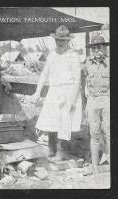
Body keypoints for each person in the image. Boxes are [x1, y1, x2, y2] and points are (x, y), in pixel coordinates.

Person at [31, 25, 82, 161]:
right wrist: (37, 92)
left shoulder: (74, 55)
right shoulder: (52, 54)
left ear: (68, 41)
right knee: (50, 121)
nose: (60, 43)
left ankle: (61, 151)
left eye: (63, 41)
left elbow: (77, 80)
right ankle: (51, 150)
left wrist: (72, 99)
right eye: (58, 40)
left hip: (69, 91)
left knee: (64, 123)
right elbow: (44, 74)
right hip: (54, 91)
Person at [83, 34, 110, 175]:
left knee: (108, 132)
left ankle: (111, 164)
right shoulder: (87, 63)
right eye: (94, 47)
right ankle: (95, 167)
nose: (97, 50)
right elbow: (83, 83)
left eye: (99, 47)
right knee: (94, 134)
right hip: (93, 100)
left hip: (107, 99)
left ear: (105, 48)